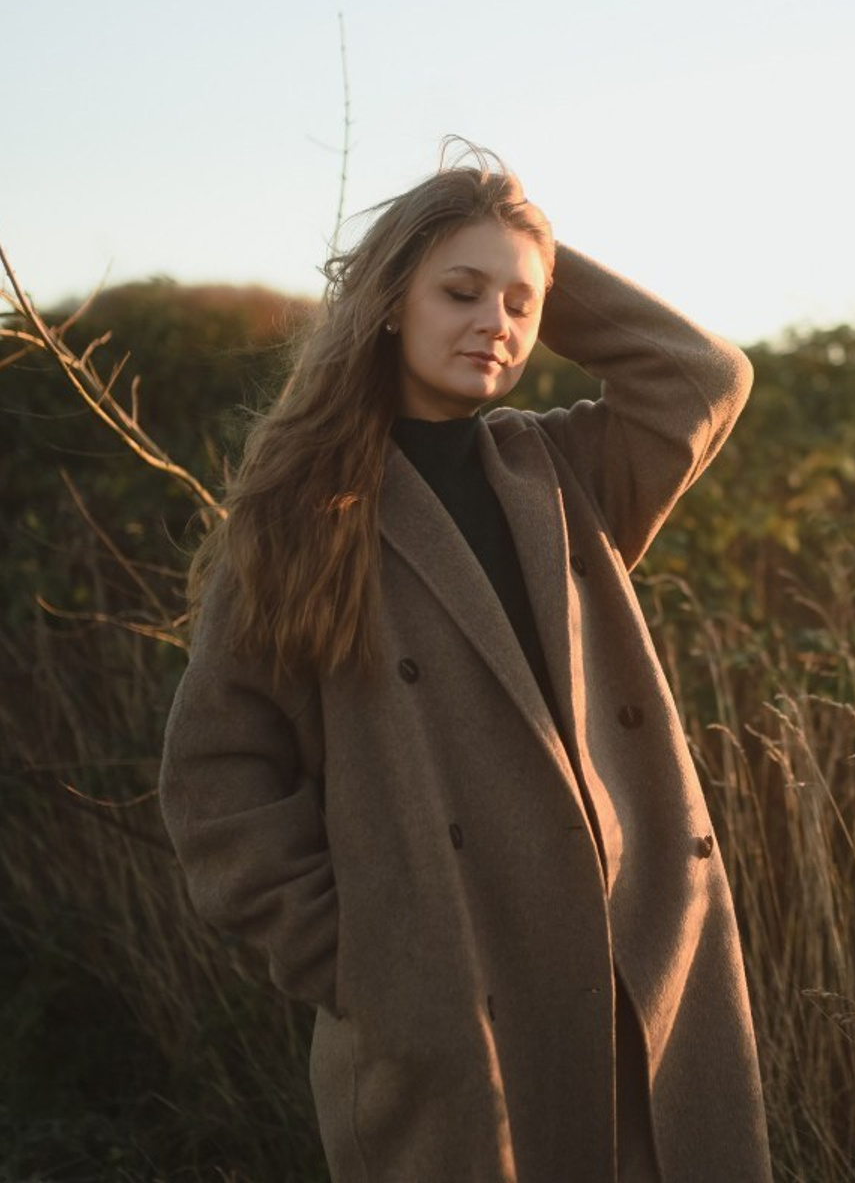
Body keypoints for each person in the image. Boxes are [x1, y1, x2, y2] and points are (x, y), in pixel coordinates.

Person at [159, 147, 771, 1182]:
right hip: (450, 1004)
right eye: (459, 291)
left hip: (638, 973)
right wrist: (364, 959)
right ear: (388, 301)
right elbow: (216, 776)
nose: (496, 320)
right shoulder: (301, 519)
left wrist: (526, 241)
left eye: (523, 304)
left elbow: (701, 377)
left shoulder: (562, 470)